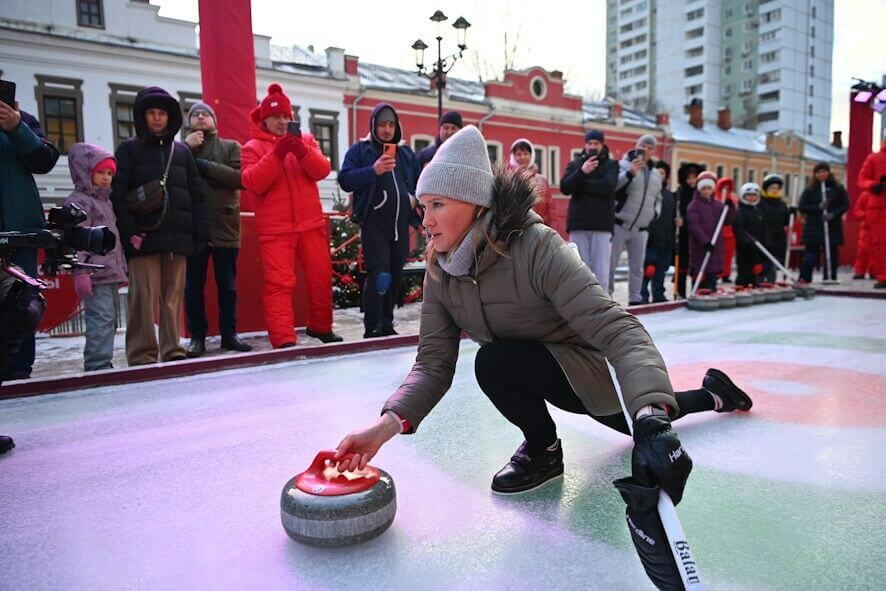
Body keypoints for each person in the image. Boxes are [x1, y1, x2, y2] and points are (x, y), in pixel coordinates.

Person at [332, 125, 751, 507]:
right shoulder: (442, 269)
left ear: (474, 201)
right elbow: (432, 363)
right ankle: (543, 449)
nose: (425, 221)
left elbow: (616, 327)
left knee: (648, 419)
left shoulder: (536, 246)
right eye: (422, 207)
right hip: (530, 365)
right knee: (496, 362)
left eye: (437, 204)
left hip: (590, 367)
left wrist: (651, 417)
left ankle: (715, 395)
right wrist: (383, 427)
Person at [110, 86, 209, 365]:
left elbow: (196, 195)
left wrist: (201, 234)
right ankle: (142, 354)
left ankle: (172, 349)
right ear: (142, 116)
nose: (156, 118)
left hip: (178, 239)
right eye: (151, 113)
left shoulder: (182, 152)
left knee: (172, 298)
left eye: (162, 113)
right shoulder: (129, 149)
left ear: (170, 117)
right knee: (143, 299)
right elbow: (117, 195)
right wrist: (129, 233)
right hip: (144, 238)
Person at [241, 84, 342, 347]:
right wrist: (277, 153)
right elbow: (253, 182)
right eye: (276, 117)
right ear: (265, 119)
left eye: (286, 116)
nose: (282, 121)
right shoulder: (251, 148)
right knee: (279, 284)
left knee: (320, 277)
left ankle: (321, 327)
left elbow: (322, 170)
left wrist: (300, 150)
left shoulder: (306, 140)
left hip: (310, 224)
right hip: (276, 230)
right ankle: (284, 339)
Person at [339, 103, 419, 338]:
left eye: (391, 124)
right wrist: (372, 170)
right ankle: (372, 327)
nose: (386, 129)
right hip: (374, 223)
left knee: (393, 277)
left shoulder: (405, 153)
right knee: (380, 276)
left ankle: (387, 324)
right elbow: (345, 179)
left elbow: (418, 181)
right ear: (374, 126)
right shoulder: (361, 151)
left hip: (400, 225)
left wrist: (413, 199)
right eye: (382, 124)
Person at [183, 101, 252, 356]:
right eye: (195, 115)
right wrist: (186, 149)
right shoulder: (181, 150)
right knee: (192, 287)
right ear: (189, 122)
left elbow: (238, 179)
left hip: (225, 224)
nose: (201, 118)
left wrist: (204, 166)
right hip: (193, 227)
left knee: (228, 286)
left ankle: (229, 335)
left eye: (206, 114)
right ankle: (197, 337)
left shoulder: (230, 146)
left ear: (214, 120)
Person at [0, 98, 59, 380]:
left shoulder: (21, 119)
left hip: (20, 229)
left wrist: (17, 127)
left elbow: (46, 160)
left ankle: (20, 372)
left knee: (22, 300)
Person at [63, 143, 127, 371]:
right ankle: (97, 365)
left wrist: (121, 267)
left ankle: (102, 362)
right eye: (101, 172)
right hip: (93, 273)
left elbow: (112, 238)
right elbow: (75, 240)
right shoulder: (79, 203)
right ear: (85, 171)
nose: (107, 178)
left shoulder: (104, 201)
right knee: (100, 319)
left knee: (109, 319)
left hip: (107, 272)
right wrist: (80, 272)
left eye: (110, 173)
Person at [559, 130, 619, 292]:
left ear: (602, 145)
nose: (592, 146)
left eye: (596, 143)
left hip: (602, 225)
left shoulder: (611, 165)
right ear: (585, 145)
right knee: (579, 270)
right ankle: (582, 307)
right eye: (589, 143)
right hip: (578, 223)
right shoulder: (575, 165)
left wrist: (580, 185)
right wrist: (582, 172)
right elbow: (565, 187)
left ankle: (604, 310)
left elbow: (608, 188)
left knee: (601, 272)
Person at [611, 134, 662, 304]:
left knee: (637, 268)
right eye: (643, 146)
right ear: (636, 146)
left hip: (641, 228)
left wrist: (655, 213)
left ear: (653, 151)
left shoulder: (656, 174)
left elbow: (658, 198)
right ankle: (606, 298)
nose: (646, 150)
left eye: (650, 147)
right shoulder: (622, 164)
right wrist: (630, 172)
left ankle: (635, 299)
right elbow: (613, 187)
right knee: (611, 265)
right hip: (619, 223)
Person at [798, 162, 849, 283]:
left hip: (832, 226)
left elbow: (845, 205)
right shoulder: (810, 190)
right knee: (810, 254)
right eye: (818, 172)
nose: (821, 174)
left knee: (831, 253)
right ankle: (804, 278)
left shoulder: (838, 188)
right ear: (815, 174)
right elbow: (802, 207)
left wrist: (833, 214)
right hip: (813, 227)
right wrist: (818, 207)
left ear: (828, 172)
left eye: (824, 171)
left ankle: (830, 276)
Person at [686, 171, 734, 292]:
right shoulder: (693, 206)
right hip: (701, 249)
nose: (706, 191)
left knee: (712, 278)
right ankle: (697, 294)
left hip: (715, 248)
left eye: (709, 188)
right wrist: (705, 242)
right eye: (703, 188)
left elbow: (727, 221)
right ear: (699, 189)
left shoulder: (718, 205)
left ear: (713, 189)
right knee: (700, 277)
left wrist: (730, 207)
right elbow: (694, 226)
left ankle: (711, 294)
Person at [640, 161, 677, 303]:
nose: (660, 175)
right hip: (651, 240)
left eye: (663, 172)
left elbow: (672, 218)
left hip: (665, 241)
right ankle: (642, 295)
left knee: (661, 271)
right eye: (658, 172)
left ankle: (658, 295)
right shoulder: (647, 192)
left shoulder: (669, 196)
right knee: (648, 270)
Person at [857, 132, 886, 288]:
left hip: (877, 209)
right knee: (881, 243)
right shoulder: (874, 159)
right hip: (879, 208)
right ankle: (883, 276)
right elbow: (862, 179)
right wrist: (873, 185)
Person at [508, 138, 553, 225]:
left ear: (531, 155)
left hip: (541, 229)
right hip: (517, 229)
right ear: (513, 156)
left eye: (526, 153)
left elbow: (551, 210)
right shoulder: (509, 180)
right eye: (518, 154)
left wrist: (553, 230)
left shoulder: (542, 180)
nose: (522, 157)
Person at [674, 163, 703, 298]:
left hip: (698, 235)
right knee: (682, 265)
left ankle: (696, 291)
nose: (692, 181)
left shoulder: (701, 194)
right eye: (689, 178)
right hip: (684, 235)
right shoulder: (680, 193)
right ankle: (680, 291)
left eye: (694, 178)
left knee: (697, 265)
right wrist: (680, 221)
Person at [758, 173, 790, 283]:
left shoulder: (781, 204)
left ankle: (771, 282)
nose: (774, 190)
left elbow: (786, 222)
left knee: (774, 262)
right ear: (766, 189)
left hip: (778, 237)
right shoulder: (761, 203)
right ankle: (761, 280)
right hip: (765, 237)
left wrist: (792, 214)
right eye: (772, 188)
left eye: (777, 188)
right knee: (765, 261)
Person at [732, 182, 766, 287]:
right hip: (745, 249)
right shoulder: (741, 212)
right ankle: (741, 286)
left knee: (756, 271)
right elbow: (738, 229)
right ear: (743, 196)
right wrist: (749, 241)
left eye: (754, 195)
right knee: (744, 272)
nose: (751, 198)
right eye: (748, 195)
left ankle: (755, 285)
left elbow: (763, 229)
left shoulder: (759, 212)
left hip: (758, 248)